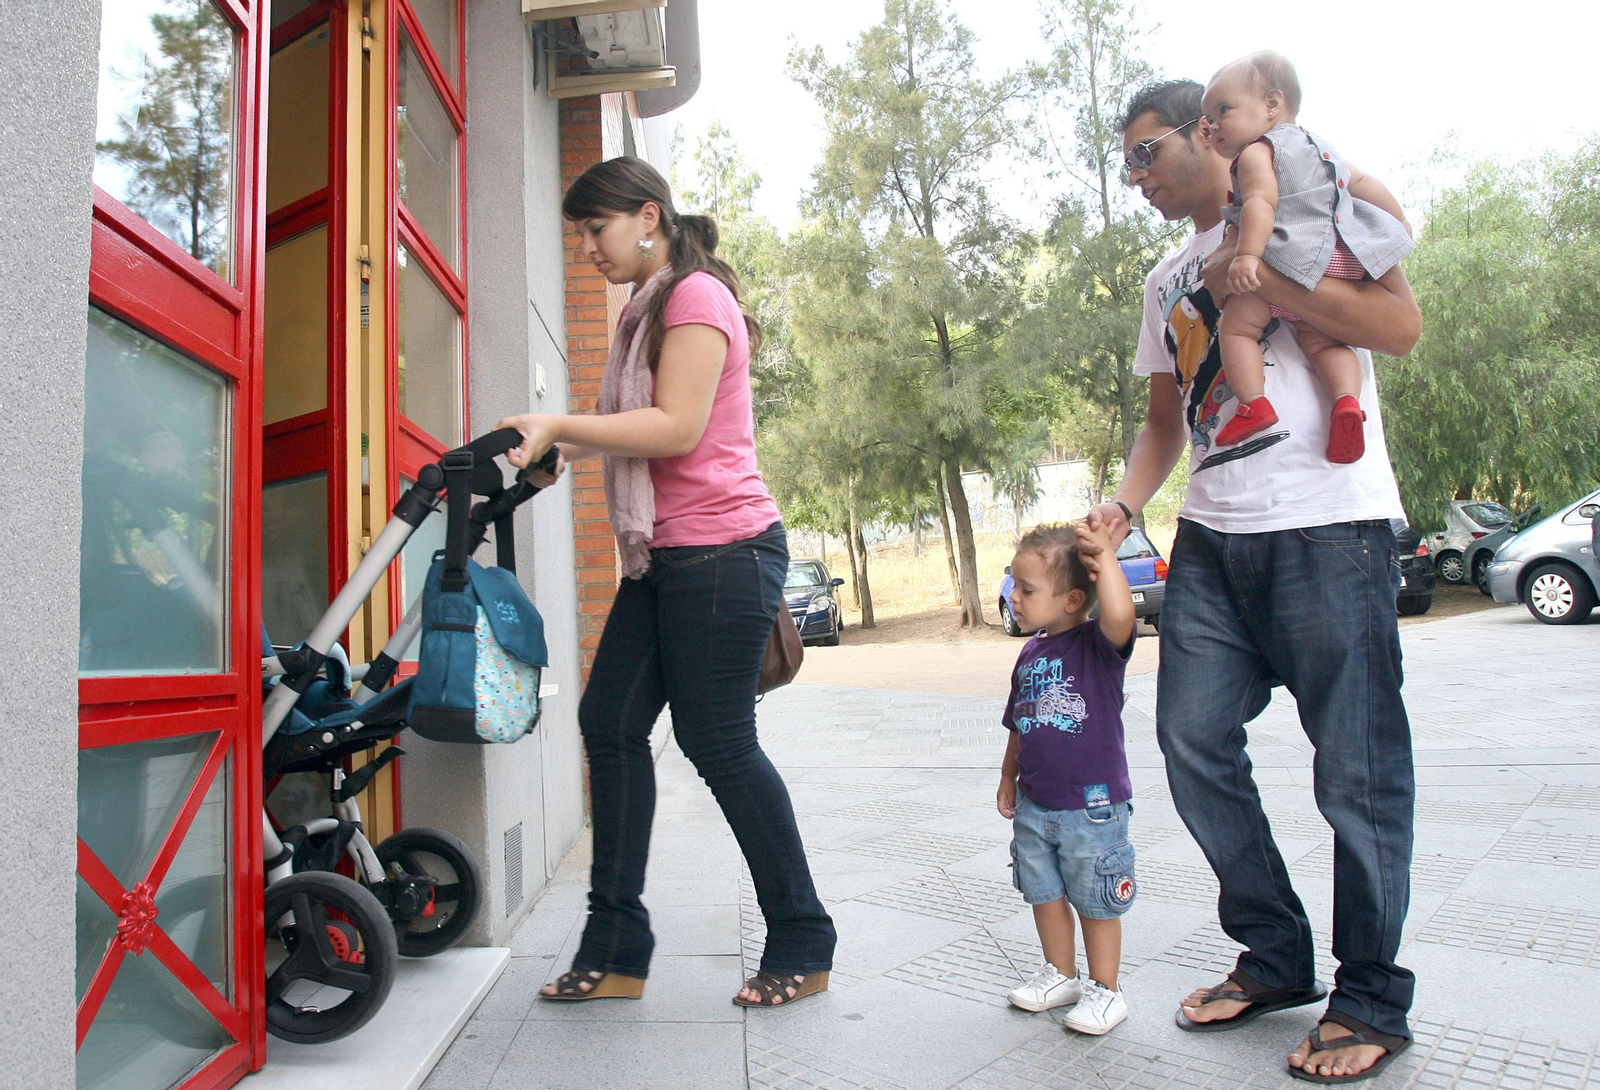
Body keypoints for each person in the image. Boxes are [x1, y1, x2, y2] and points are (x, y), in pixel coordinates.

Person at [1077, 79, 1423, 1084]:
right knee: (1190, 738)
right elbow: (1163, 422)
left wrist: (1263, 274)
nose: (1135, 176)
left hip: (1329, 526)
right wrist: (1126, 504)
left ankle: (1370, 997)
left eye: (1146, 153)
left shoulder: (1312, 197)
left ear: (1205, 131)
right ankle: (1275, 953)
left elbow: (1398, 326)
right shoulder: (1163, 278)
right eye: (1125, 163)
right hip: (1213, 538)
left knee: (1355, 768)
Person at [498, 156, 836, 1008]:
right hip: (663, 557)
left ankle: (804, 938)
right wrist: (562, 445)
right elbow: (636, 426)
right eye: (578, 233)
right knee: (608, 722)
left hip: (724, 550)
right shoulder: (642, 310)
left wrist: (563, 422)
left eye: (596, 228)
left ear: (648, 217)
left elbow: (677, 427)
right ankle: (616, 947)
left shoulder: (694, 297)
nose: (586, 248)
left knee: (717, 742)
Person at [1201, 51, 1414, 463]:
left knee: (1238, 328)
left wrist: (1247, 256)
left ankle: (1254, 404)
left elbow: (1260, 202)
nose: (1214, 125)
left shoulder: (1256, 153)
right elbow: (1364, 182)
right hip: (1340, 259)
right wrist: (1399, 220)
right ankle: (1346, 401)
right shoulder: (1321, 148)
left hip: (1289, 255)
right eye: (1208, 118)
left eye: (1223, 110)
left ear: (1272, 103)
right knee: (1323, 340)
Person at [997, 522, 1138, 1036]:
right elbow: (1019, 722)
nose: (1014, 596)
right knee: (1044, 892)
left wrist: (1105, 556)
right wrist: (1008, 777)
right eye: (1014, 585)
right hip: (1036, 803)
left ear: (1074, 599)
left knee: (1097, 899)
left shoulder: (1096, 645)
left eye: (1027, 589)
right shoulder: (1029, 652)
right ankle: (1061, 974)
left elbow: (1121, 614)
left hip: (1092, 807)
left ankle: (1107, 990)